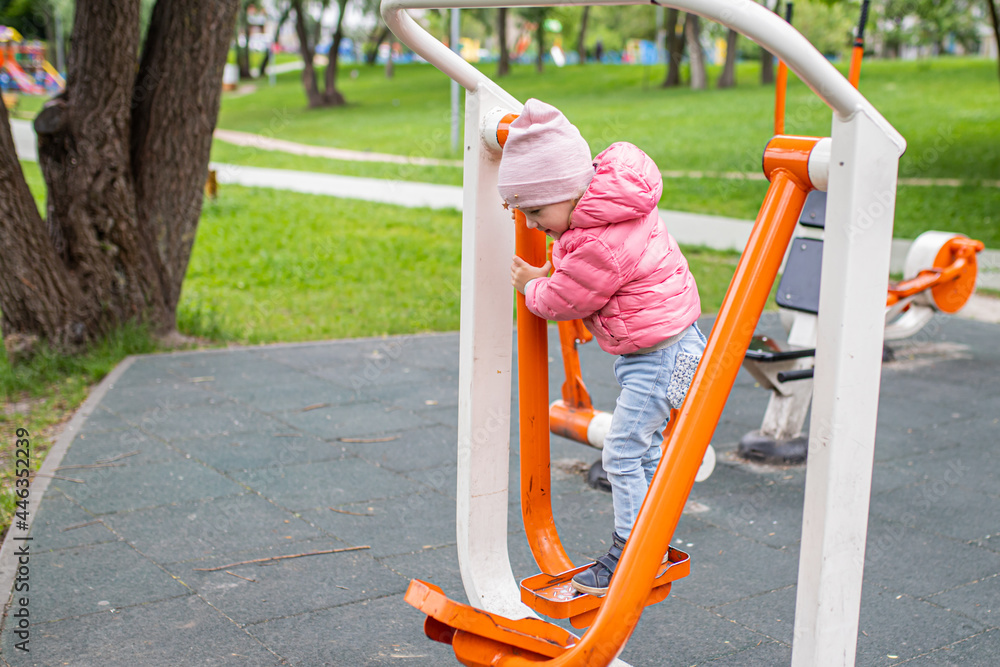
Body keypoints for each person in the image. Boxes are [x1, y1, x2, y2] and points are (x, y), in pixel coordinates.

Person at [498, 98, 705, 596]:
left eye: (535, 211)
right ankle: (652, 537)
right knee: (646, 451)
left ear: (567, 191)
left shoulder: (598, 240)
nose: (530, 224)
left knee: (622, 453)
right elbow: (583, 266)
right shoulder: (608, 210)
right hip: (677, 346)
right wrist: (550, 269)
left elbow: (567, 296)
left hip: (659, 359)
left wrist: (532, 287)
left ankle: (630, 553)